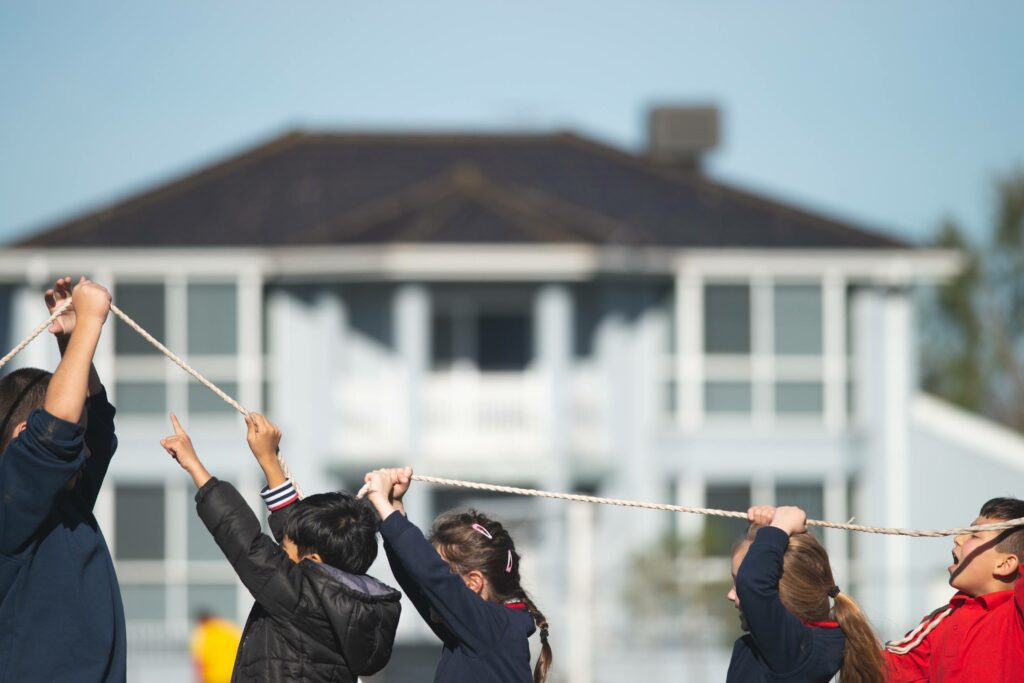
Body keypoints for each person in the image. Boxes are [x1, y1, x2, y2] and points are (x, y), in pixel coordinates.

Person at [160, 412, 401, 682]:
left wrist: (193, 464)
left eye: (285, 551)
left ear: (313, 559)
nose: (281, 550)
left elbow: (241, 537)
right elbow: (295, 532)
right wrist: (269, 461)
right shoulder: (358, 600)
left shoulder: (299, 598)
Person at [0, 276, 125, 682]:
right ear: (23, 437)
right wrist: (90, 324)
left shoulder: (65, 502)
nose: (84, 451)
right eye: (75, 443)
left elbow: (95, 428)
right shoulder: (11, 505)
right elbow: (56, 433)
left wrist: (73, 343)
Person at [363, 466, 551, 683]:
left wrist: (385, 507)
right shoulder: (477, 630)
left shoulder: (491, 629)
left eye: (444, 570)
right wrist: (392, 507)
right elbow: (419, 579)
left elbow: (431, 577)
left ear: (473, 583)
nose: (433, 589)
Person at [727, 505, 885, 683]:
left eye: (738, 583)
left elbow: (753, 583)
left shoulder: (791, 651)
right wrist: (776, 528)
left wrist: (781, 525)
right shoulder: (794, 647)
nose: (730, 595)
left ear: (783, 593)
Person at [884, 497, 1024, 681]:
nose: (958, 538)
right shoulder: (939, 623)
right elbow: (880, 669)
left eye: (974, 534)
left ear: (1005, 564)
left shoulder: (1016, 616)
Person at [190, 610, 242, 683]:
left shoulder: (202, 633)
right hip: (233, 675)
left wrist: (199, 678)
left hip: (212, 678)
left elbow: (199, 661)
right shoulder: (231, 629)